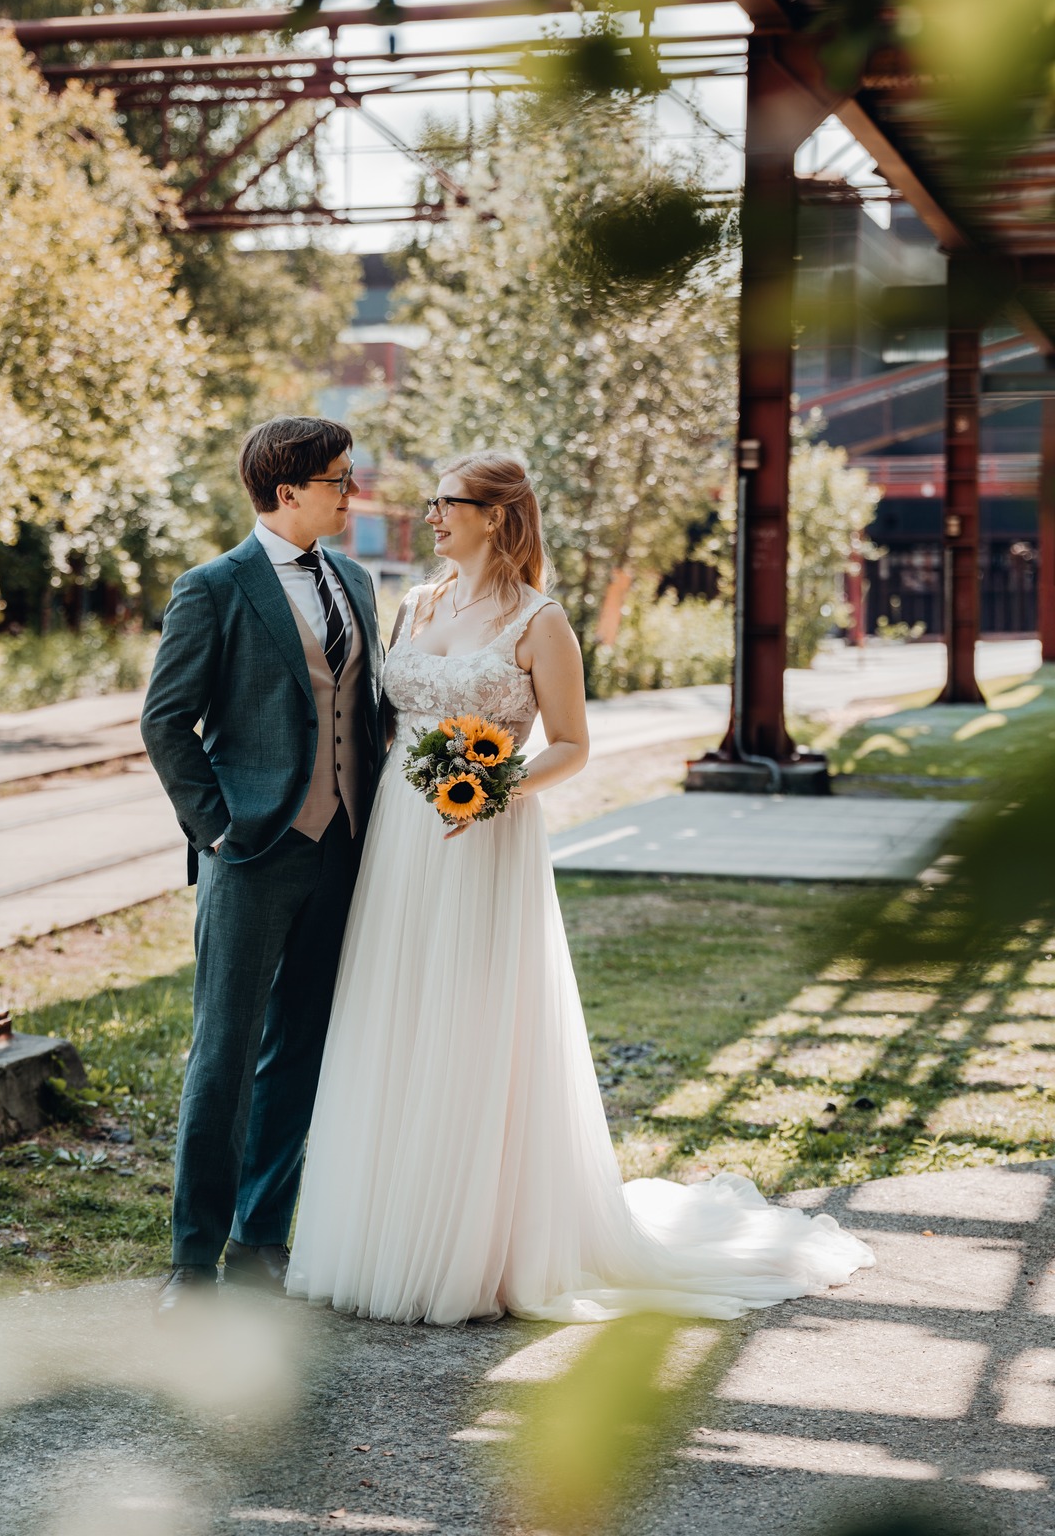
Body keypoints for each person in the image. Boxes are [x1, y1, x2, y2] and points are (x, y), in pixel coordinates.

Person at [287, 451, 873, 1324]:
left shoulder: (540, 621)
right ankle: (381, 1227)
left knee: (475, 1022)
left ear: (494, 515)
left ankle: (476, 1248)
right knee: (396, 1013)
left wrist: (495, 789)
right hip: (401, 844)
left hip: (487, 841)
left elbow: (570, 744)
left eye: (447, 504)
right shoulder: (414, 603)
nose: (433, 516)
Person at [141, 416, 383, 1318]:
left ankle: (258, 1243)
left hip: (345, 851)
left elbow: (366, 715)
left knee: (301, 1050)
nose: (349, 493)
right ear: (289, 493)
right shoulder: (214, 589)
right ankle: (191, 1261)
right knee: (224, 1054)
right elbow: (167, 722)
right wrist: (215, 831)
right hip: (251, 855)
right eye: (338, 479)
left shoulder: (355, 581)